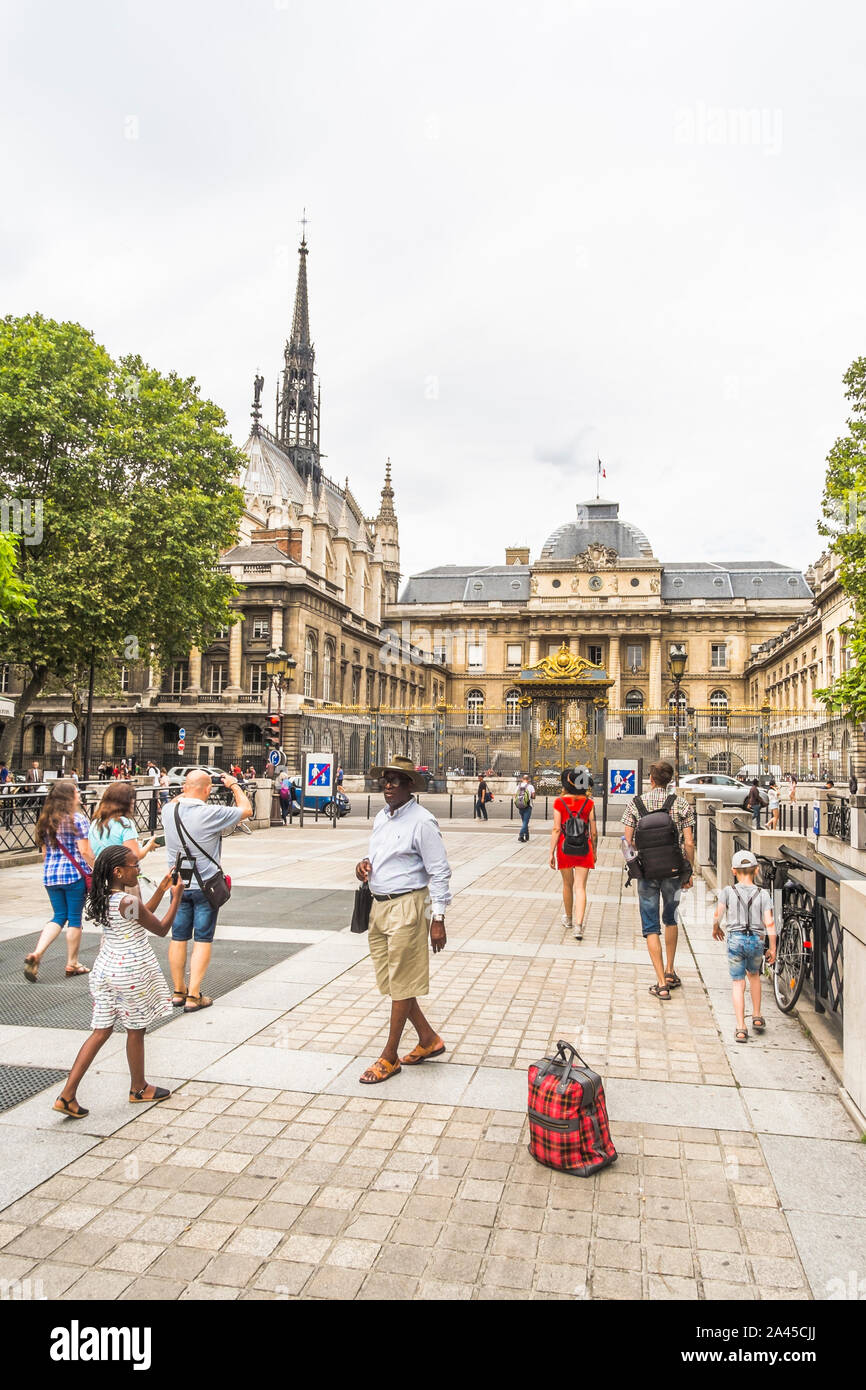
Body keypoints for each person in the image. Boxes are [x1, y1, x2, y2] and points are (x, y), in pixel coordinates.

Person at [52, 845, 185, 1118]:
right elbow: (160, 928)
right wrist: (176, 898)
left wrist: (160, 889)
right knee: (136, 1030)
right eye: (134, 865)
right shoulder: (127, 902)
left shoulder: (109, 898)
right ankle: (139, 1087)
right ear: (118, 871)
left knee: (101, 1031)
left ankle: (67, 1095)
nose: (138, 869)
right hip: (129, 974)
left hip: (105, 971)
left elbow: (141, 916)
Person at [355, 755, 451, 1084]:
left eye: (396, 780)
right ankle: (429, 1039)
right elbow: (380, 855)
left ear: (410, 785)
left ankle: (389, 1056)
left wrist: (437, 918)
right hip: (379, 905)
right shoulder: (383, 816)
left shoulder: (422, 821)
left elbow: (439, 872)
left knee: (401, 982)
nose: (388, 785)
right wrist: (364, 865)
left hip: (410, 906)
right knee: (394, 982)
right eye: (385, 778)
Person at [161, 768, 252, 1012]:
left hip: (178, 884)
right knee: (203, 938)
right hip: (206, 884)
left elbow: (176, 800)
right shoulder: (211, 812)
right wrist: (234, 785)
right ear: (208, 790)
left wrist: (186, 792)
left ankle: (177, 991)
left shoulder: (168, 810)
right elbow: (246, 810)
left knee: (178, 936)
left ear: (184, 788)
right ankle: (193, 995)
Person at [622, 760, 696, 1001]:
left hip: (648, 871)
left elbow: (628, 842)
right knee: (671, 919)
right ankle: (670, 969)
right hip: (673, 871)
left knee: (650, 925)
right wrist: (688, 871)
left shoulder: (636, 803)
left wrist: (640, 861)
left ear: (651, 780)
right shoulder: (681, 803)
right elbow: (689, 843)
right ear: (671, 781)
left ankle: (661, 984)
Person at [25, 778, 95, 982]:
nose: (80, 795)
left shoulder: (45, 820)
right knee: (74, 918)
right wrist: (96, 867)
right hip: (73, 875)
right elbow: (84, 851)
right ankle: (72, 962)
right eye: (76, 792)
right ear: (68, 798)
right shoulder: (78, 820)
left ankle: (37, 953)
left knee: (58, 916)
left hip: (51, 875)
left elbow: (45, 852)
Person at [712, 849, 776, 1042]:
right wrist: (772, 947)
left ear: (733, 871)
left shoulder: (727, 892)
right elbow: (770, 923)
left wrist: (716, 928)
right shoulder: (763, 894)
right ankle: (757, 1015)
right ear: (756, 870)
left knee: (738, 983)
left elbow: (718, 915)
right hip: (757, 940)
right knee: (754, 976)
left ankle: (741, 1027)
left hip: (735, 940)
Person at [550, 765, 596, 940]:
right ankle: (578, 926)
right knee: (581, 887)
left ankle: (568, 918)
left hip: (564, 847)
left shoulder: (559, 803)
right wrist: (595, 851)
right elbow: (593, 831)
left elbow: (556, 829)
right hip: (584, 848)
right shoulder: (589, 803)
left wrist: (551, 852)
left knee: (567, 885)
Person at [89, 780, 157, 862]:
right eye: (132, 803)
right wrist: (148, 846)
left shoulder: (95, 822)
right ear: (125, 804)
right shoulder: (124, 823)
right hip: (121, 871)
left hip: (102, 871)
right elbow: (135, 856)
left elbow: (91, 853)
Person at [515, 772, 536, 843]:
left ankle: (527, 836)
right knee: (525, 822)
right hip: (528, 806)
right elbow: (533, 796)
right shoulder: (530, 786)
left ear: (522, 779)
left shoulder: (518, 786)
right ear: (528, 779)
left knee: (524, 821)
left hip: (520, 805)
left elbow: (515, 795)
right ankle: (521, 835)